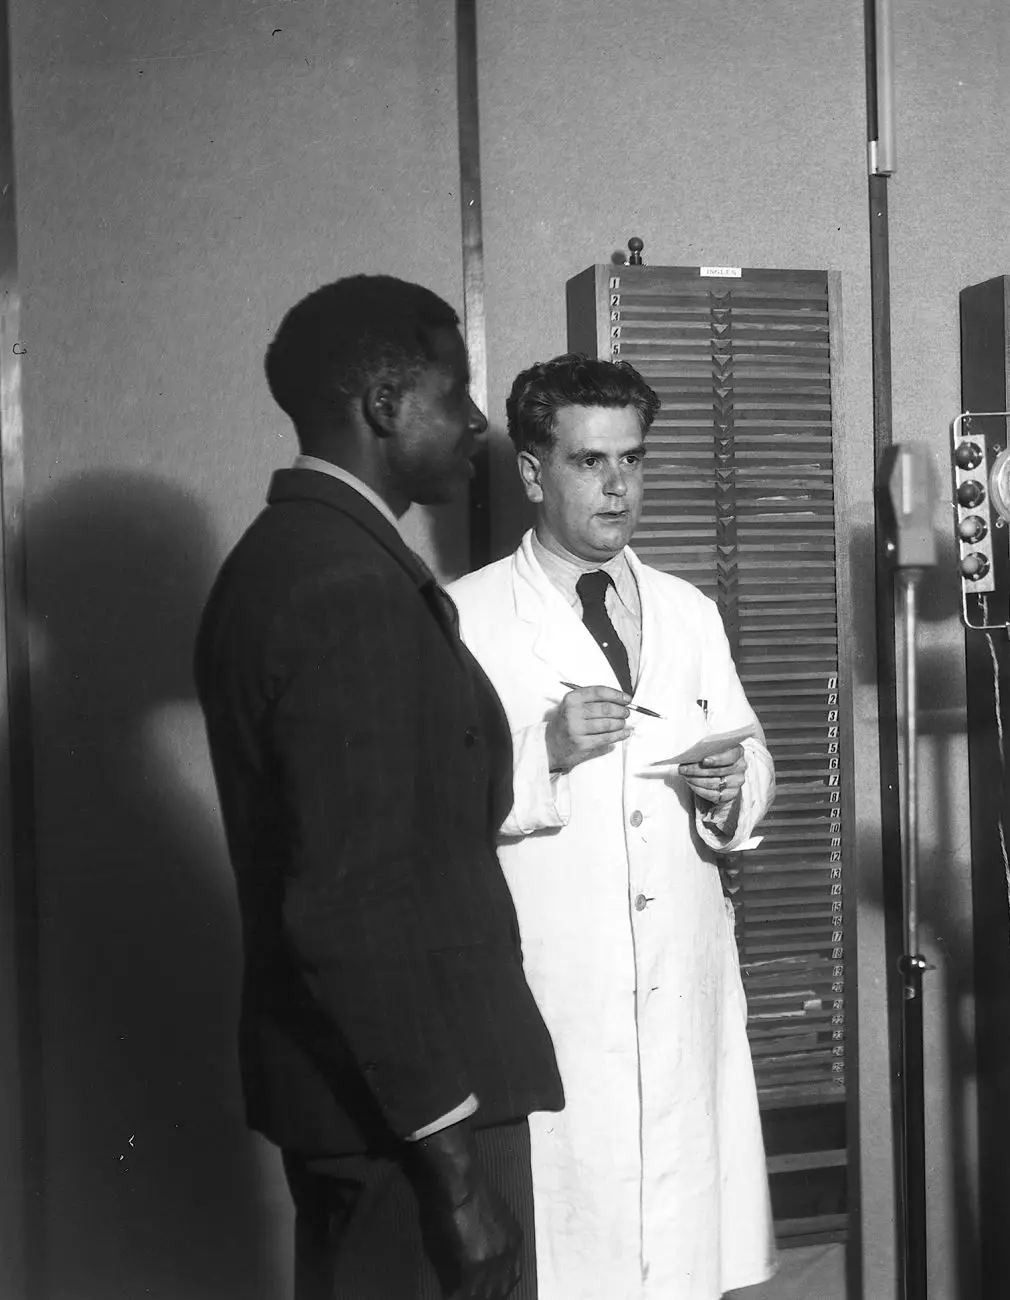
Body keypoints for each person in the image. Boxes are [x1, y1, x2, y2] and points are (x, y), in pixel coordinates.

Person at [195, 275, 563, 1300]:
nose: (476, 419)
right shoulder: (347, 588)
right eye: (457, 391)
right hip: (412, 1122)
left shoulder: (295, 559)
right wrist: (453, 1178)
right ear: (387, 406)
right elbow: (348, 907)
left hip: (372, 1101)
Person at [447, 354, 777, 1299]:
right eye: (590, 462)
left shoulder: (687, 610)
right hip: (554, 995)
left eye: (632, 459)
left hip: (678, 987)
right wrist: (541, 749)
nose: (618, 486)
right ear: (531, 472)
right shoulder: (464, 618)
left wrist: (730, 785)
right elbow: (424, 810)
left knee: (678, 1255)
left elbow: (751, 754)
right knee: (565, 1254)